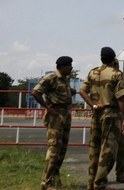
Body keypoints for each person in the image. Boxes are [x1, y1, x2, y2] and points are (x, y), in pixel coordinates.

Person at [78, 47, 124, 190]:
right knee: (109, 149)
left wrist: (93, 105)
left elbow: (82, 90)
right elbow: (121, 97)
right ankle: (99, 184)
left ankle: (91, 183)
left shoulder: (93, 72)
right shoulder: (117, 75)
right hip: (112, 114)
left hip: (97, 114)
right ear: (113, 59)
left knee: (94, 148)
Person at [32, 56, 77, 190]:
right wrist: (47, 106)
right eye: (69, 65)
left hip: (65, 114)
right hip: (55, 116)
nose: (71, 67)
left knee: (61, 149)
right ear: (61, 66)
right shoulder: (51, 78)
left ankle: (55, 181)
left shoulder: (65, 79)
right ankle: (46, 183)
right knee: (54, 148)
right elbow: (35, 92)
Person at [110, 58, 124, 184]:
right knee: (120, 147)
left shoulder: (95, 74)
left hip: (107, 115)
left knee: (107, 147)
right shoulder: (121, 77)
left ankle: (98, 177)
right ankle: (121, 174)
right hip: (116, 114)